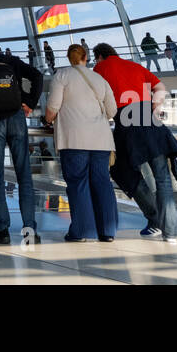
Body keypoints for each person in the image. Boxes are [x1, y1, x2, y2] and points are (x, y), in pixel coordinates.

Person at [92, 42, 177, 243]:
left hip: (127, 125)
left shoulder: (100, 68)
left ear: (99, 56)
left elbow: (96, 96)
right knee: (163, 179)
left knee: (121, 171)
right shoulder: (135, 66)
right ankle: (170, 233)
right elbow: (160, 87)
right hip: (150, 121)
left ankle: (154, 218)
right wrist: (154, 106)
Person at [0, 41, 44, 244]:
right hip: (17, 118)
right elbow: (37, 76)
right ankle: (30, 229)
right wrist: (29, 102)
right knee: (24, 174)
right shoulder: (12, 60)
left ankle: (2, 230)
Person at [45, 43, 118, 241]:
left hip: (74, 140)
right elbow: (112, 111)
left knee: (78, 183)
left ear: (69, 58)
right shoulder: (99, 78)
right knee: (102, 183)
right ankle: (107, 231)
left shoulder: (61, 75)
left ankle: (83, 231)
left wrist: (48, 119)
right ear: (86, 57)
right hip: (101, 141)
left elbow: (53, 106)